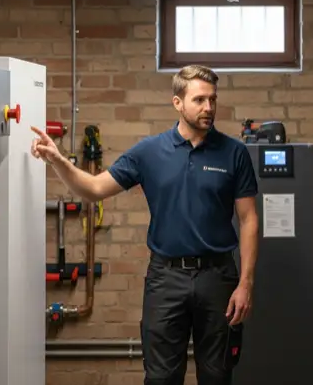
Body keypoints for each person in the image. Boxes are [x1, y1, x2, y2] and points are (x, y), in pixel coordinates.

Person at [30, 64, 260, 385]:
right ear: (177, 102)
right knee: (161, 378)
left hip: (218, 277)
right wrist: (57, 160)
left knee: (217, 375)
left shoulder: (234, 153)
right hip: (166, 279)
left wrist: (245, 284)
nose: (208, 107)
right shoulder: (149, 152)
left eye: (213, 99)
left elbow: (249, 219)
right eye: (199, 100)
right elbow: (94, 189)